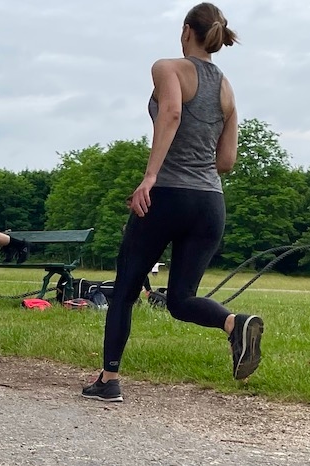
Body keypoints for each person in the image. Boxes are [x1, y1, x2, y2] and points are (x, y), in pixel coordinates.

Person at [82, 2, 263, 403]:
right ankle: (235, 324)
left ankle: (108, 380)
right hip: (210, 202)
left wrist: (150, 177)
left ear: (186, 30)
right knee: (181, 299)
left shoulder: (167, 68)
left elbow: (172, 112)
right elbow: (226, 162)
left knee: (127, 288)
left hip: (167, 195)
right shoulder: (227, 88)